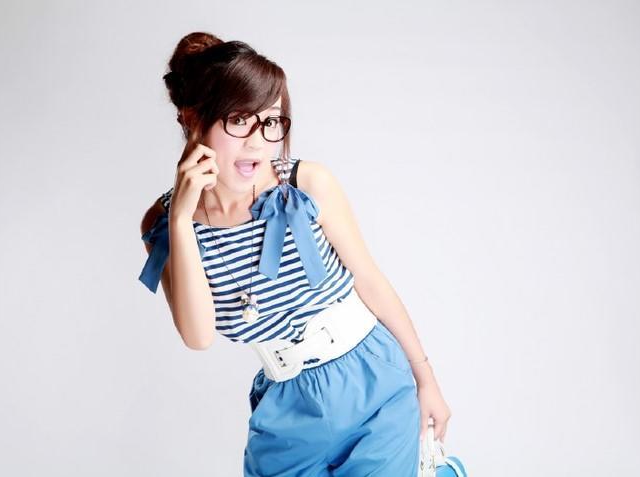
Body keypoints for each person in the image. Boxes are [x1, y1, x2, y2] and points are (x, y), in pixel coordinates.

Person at [138, 32, 451, 476]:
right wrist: (182, 220)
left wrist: (426, 377)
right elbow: (198, 335)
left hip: (372, 383)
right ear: (192, 119)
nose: (258, 142)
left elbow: (370, 280)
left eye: (271, 121)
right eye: (239, 120)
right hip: (286, 407)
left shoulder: (306, 183)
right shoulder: (164, 224)